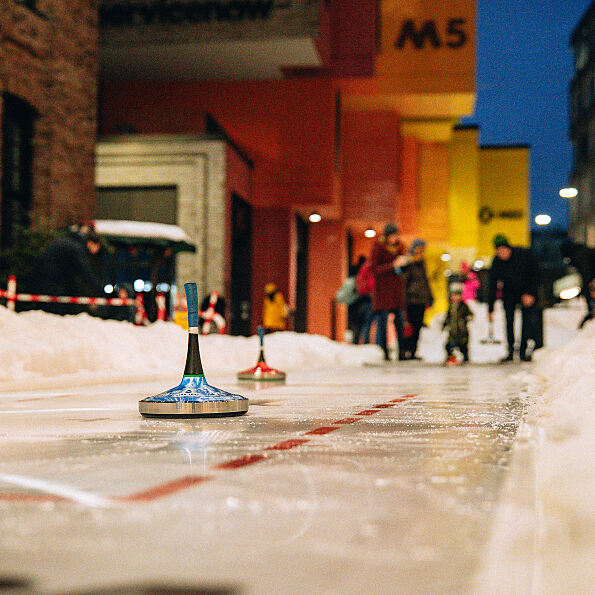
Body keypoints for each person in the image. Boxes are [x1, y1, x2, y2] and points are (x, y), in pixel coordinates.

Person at [24, 229, 104, 314]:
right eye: (97, 247)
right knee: (54, 311)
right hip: (51, 280)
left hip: (44, 277)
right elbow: (85, 272)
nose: (96, 251)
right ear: (91, 243)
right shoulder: (78, 249)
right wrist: (100, 289)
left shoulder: (71, 243)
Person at [487, 234, 539, 362]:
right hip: (509, 293)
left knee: (526, 322)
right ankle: (510, 350)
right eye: (498, 251)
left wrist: (531, 294)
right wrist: (490, 308)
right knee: (509, 321)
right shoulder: (496, 262)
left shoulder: (523, 255)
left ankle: (523, 351)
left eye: (503, 250)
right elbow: (492, 285)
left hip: (525, 292)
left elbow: (535, 275)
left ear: (508, 248)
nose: (501, 254)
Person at [371, 222, 408, 361]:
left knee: (399, 321)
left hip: (396, 291)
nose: (394, 239)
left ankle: (402, 351)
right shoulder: (378, 248)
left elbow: (404, 271)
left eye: (395, 236)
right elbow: (374, 269)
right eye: (391, 236)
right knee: (382, 322)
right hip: (383, 291)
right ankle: (383, 351)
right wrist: (392, 265)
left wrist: (404, 264)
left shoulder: (401, 248)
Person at [401, 239, 433, 360]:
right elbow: (404, 282)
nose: (421, 253)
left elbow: (425, 282)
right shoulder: (409, 263)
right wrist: (404, 300)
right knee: (410, 327)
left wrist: (430, 296)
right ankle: (406, 350)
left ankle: (413, 351)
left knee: (418, 327)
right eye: (420, 250)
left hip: (420, 300)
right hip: (410, 300)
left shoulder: (422, 264)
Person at [442, 282, 473, 364]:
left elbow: (470, 314)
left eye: (458, 295)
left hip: (462, 331)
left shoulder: (463, 306)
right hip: (452, 331)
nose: (455, 297)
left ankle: (465, 357)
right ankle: (451, 358)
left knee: (463, 346)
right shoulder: (450, 307)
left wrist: (468, 318)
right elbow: (448, 317)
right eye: (454, 295)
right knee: (449, 346)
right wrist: (444, 324)